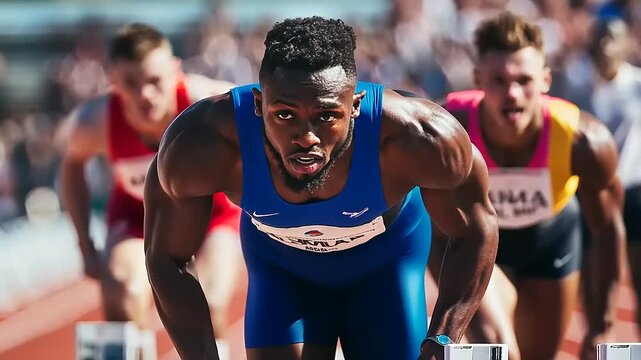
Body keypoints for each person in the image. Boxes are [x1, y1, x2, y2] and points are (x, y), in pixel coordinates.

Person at [144, 16, 499, 360]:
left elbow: (476, 231)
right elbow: (166, 258)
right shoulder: (199, 144)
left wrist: (444, 336)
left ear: (356, 106)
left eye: (326, 116)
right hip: (282, 271)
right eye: (285, 115)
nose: (306, 137)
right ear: (257, 105)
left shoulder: (420, 138)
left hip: (385, 269)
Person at [431, 12, 626, 360]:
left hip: (549, 242)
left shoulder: (584, 142)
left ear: (546, 80)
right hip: (474, 244)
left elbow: (607, 231)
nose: (512, 93)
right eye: (498, 80)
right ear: (478, 80)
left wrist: (602, 324)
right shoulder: (449, 130)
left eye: (524, 80)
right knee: (500, 349)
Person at [58, 23, 244, 358]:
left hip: (213, 216)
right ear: (112, 81)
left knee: (210, 299)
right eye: (131, 83)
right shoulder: (94, 122)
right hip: (138, 218)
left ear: (176, 71)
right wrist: (85, 244)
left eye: (155, 81)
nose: (145, 95)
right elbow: (71, 168)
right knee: (122, 291)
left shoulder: (212, 105)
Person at [582, 17, 641, 358]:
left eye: (612, 39)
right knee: (595, 288)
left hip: (634, 192)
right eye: (600, 38)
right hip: (593, 195)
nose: (605, 46)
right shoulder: (576, 84)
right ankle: (596, 350)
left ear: (626, 43)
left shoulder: (636, 84)